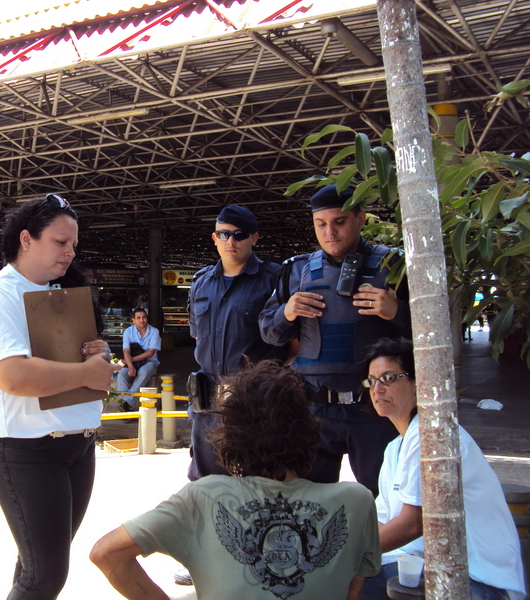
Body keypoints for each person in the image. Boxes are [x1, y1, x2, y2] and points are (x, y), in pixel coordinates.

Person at [91, 360, 382, 600]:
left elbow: (106, 553)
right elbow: (350, 591)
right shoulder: (355, 502)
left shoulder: (204, 496)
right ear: (309, 430)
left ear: (228, 436)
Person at [0, 193, 120, 600]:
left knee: (37, 568)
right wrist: (86, 373)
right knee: (45, 576)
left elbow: (75, 362)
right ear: (26, 240)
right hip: (27, 450)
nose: (70, 252)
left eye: (73, 244)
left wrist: (96, 356)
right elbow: (11, 375)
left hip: (77, 445)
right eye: (60, 241)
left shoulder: (59, 293)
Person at [260, 185, 409, 496]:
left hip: (373, 409)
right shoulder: (296, 270)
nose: (330, 232)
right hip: (314, 410)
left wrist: (397, 311)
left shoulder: (394, 266)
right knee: (306, 502)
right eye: (321, 224)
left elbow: (434, 336)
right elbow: (268, 334)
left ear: (360, 218)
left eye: (339, 222)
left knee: (385, 502)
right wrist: (285, 314)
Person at [359, 337, 525, 600]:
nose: (377, 389)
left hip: (478, 582)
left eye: (389, 378)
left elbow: (412, 524)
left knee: (345, 579)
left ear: (417, 382)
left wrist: (345, 556)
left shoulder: (432, 437)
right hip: (426, 567)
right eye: (371, 380)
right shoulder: (395, 448)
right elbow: (381, 521)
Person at [187, 205, 284, 482]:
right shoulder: (201, 282)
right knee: (206, 485)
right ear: (214, 238)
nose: (231, 241)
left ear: (254, 238)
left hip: (255, 403)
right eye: (224, 234)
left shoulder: (274, 279)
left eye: (239, 235)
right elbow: (197, 336)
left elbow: (293, 346)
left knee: (260, 482)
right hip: (207, 405)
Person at [117, 307, 161, 411]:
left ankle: (126, 404)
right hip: (132, 362)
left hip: (150, 362)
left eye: (144, 317)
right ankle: (125, 405)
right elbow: (126, 351)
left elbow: (150, 353)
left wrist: (129, 361)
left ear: (147, 318)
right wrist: (131, 366)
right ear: (133, 320)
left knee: (144, 372)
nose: (142, 320)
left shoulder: (154, 331)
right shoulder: (128, 332)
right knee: (122, 374)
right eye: (138, 318)